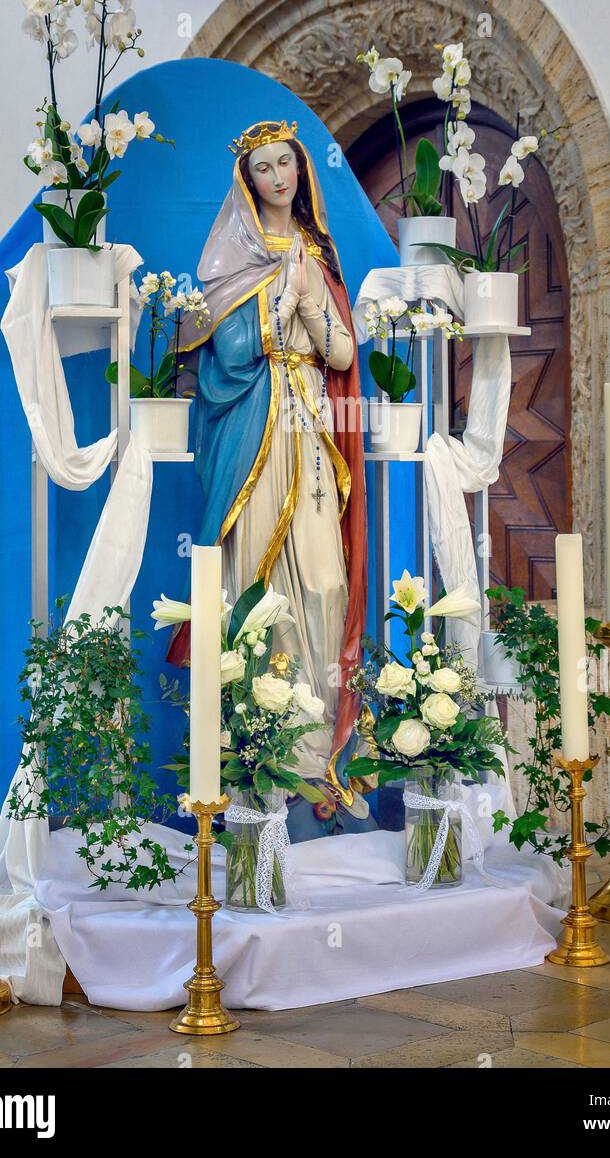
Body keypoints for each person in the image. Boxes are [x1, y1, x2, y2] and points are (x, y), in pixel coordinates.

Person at [168, 120, 369, 818]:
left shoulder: (318, 254)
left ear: (302, 172)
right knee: (253, 576)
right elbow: (223, 355)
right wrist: (275, 306)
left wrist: (309, 301)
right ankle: (257, 746)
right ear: (247, 182)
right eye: (263, 168)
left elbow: (342, 358)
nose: (278, 177)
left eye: (287, 164)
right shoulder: (230, 261)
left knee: (322, 577)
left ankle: (313, 746)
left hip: (311, 432)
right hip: (253, 436)